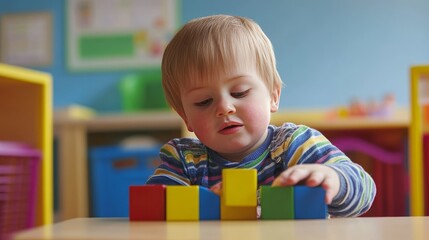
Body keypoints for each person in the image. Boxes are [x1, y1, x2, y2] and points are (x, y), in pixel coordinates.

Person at [146, 14, 376, 217]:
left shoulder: (294, 144)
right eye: (203, 101)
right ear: (185, 117)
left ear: (273, 96)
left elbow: (364, 193)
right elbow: (154, 212)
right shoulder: (185, 160)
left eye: (240, 92)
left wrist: (332, 177)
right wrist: (206, 204)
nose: (224, 108)